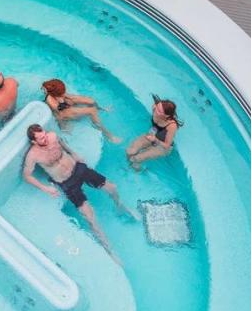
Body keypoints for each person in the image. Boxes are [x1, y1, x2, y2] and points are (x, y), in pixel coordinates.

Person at [22, 123, 133, 258]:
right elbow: (26, 176)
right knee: (89, 217)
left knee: (112, 187)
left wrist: (75, 154)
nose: (45, 139)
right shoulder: (33, 155)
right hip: (67, 183)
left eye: (44, 135)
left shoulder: (52, 136)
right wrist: (45, 188)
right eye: (41, 139)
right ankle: (109, 250)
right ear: (34, 141)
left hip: (78, 168)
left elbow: (62, 145)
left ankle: (119, 206)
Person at [41, 78, 120, 141]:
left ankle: (101, 109)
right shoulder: (49, 99)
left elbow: (69, 96)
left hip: (64, 104)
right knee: (92, 111)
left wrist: (71, 99)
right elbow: (59, 108)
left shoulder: (53, 88)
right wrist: (66, 101)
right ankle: (108, 135)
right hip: (62, 114)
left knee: (90, 100)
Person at [127, 98, 180, 170]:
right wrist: (152, 138)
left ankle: (139, 170)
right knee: (130, 151)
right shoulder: (155, 107)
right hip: (151, 135)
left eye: (159, 111)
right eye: (157, 107)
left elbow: (167, 145)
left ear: (166, 116)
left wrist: (155, 140)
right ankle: (129, 166)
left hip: (162, 146)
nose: (156, 110)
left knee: (137, 158)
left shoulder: (172, 125)